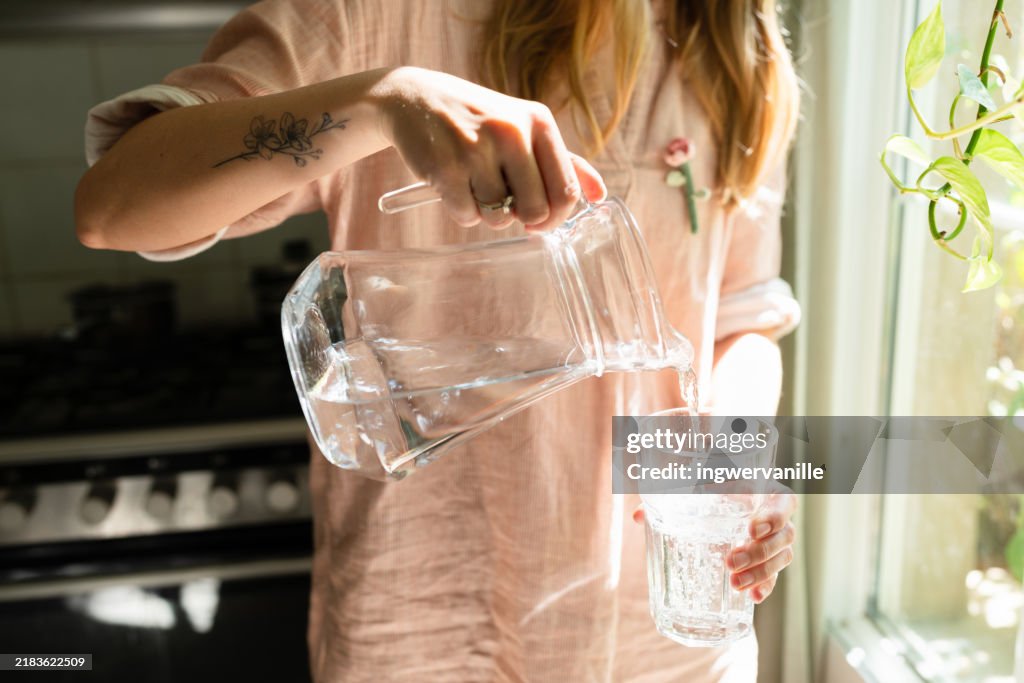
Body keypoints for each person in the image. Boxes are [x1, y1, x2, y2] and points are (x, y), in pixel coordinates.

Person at [75, 0, 802, 680]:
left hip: (660, 642)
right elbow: (115, 202)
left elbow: (740, 315)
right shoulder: (385, 16)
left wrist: (734, 450)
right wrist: (381, 102)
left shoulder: (737, 45)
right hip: (427, 627)